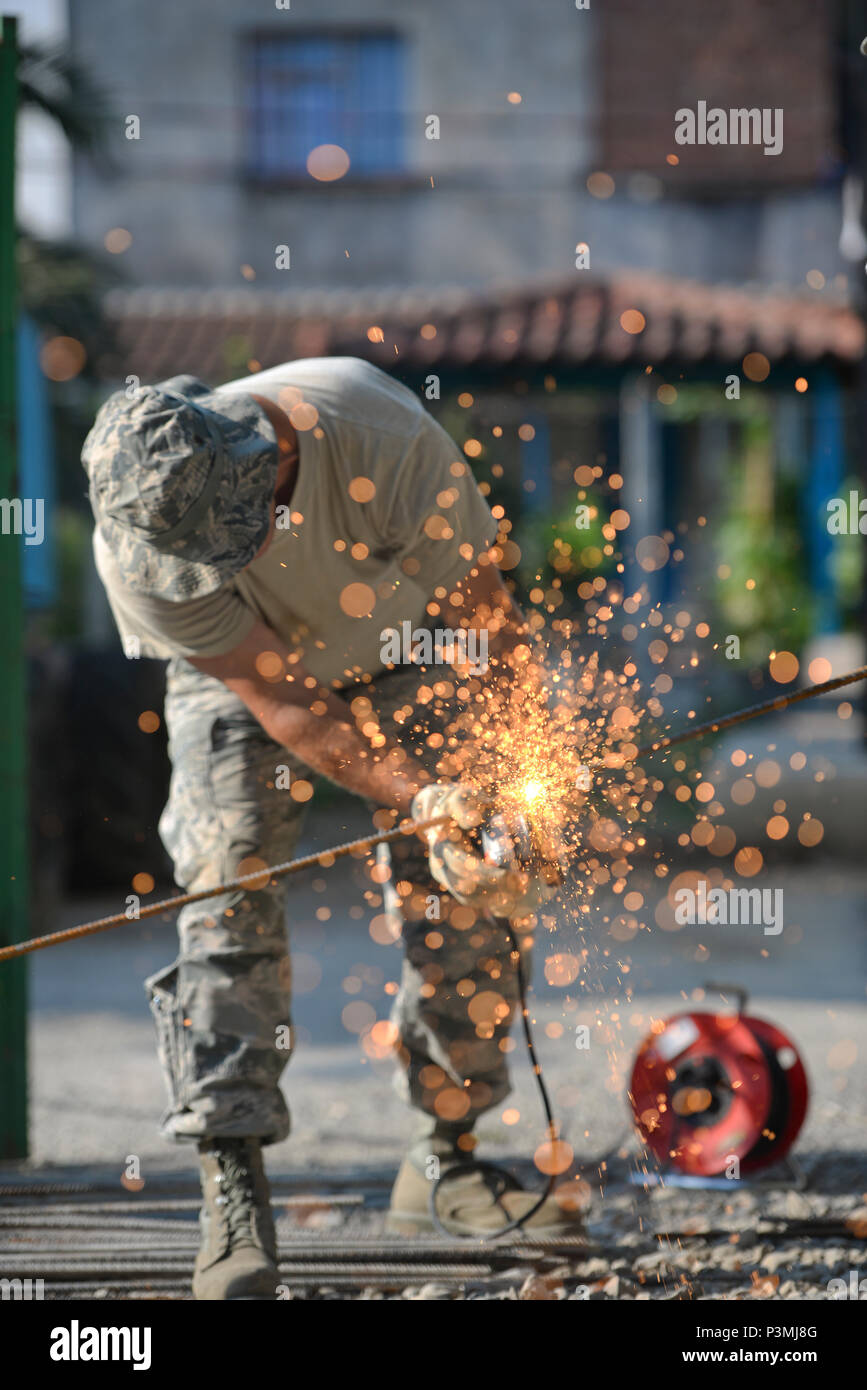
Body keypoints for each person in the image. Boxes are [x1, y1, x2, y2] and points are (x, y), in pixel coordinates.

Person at [82, 356, 582, 1300]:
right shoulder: (142, 541)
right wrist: (414, 790)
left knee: (462, 882)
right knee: (225, 886)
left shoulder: (380, 439)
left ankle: (447, 1156)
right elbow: (285, 702)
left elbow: (487, 621)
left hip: (417, 642)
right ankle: (231, 1184)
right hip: (256, 678)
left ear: (267, 462)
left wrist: (511, 782)